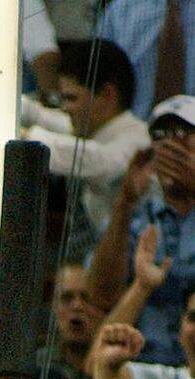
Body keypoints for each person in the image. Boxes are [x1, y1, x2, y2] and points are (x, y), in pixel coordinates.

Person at [88, 96, 195, 367]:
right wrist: (124, 203)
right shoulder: (137, 216)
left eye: (183, 134)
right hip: (141, 364)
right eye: (161, 135)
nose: (171, 143)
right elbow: (101, 294)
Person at [18, 39, 148, 256]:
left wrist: (23, 137)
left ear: (106, 94)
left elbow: (101, 161)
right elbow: (48, 118)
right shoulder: (93, 132)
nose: (65, 109)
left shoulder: (138, 140)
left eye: (71, 98)